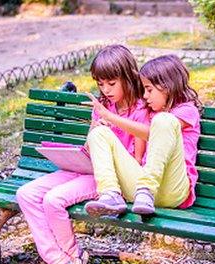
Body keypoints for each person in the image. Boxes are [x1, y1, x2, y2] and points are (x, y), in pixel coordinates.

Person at [15, 45, 148, 264]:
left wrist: (109, 133)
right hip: (84, 168)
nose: (106, 89)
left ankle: (70, 259)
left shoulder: (140, 110)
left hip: (111, 177)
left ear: (129, 77)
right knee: (26, 194)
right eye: (101, 83)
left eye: (112, 82)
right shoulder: (101, 106)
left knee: (54, 200)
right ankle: (60, 262)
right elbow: (90, 146)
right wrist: (93, 134)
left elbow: (135, 162)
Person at [84, 54, 201, 217]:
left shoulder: (186, 111)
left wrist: (111, 117)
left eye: (149, 89)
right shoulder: (150, 112)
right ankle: (110, 195)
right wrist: (97, 124)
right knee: (99, 133)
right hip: (139, 195)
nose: (145, 96)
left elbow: (152, 134)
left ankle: (147, 189)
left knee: (164, 120)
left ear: (167, 87)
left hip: (173, 190)